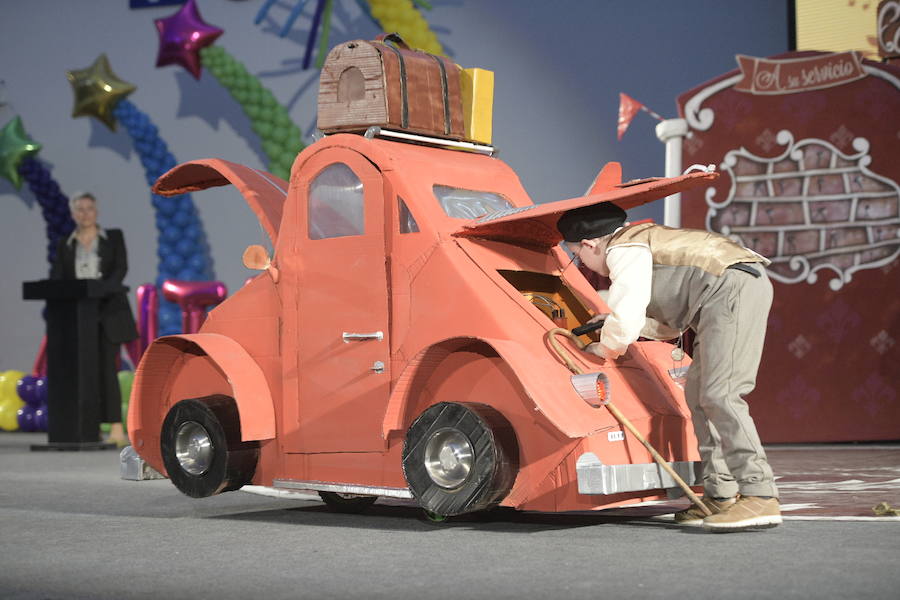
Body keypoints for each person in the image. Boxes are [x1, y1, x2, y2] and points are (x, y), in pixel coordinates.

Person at [557, 202, 780, 532]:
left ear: (589, 244)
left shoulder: (623, 248)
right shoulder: (640, 242)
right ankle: (720, 496)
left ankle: (760, 494)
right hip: (720, 295)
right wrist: (617, 323)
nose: (584, 264)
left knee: (722, 395)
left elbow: (626, 325)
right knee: (700, 395)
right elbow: (669, 328)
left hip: (732, 287)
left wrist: (602, 346)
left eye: (577, 255)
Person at [51, 192, 138, 447]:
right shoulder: (64, 243)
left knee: (107, 370)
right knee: (81, 372)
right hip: (78, 319)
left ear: (96, 211)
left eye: (89, 208)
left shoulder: (113, 237)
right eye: (79, 209)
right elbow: (59, 278)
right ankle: (87, 427)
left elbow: (120, 269)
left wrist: (99, 291)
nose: (85, 213)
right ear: (72, 213)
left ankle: (116, 428)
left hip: (108, 313)